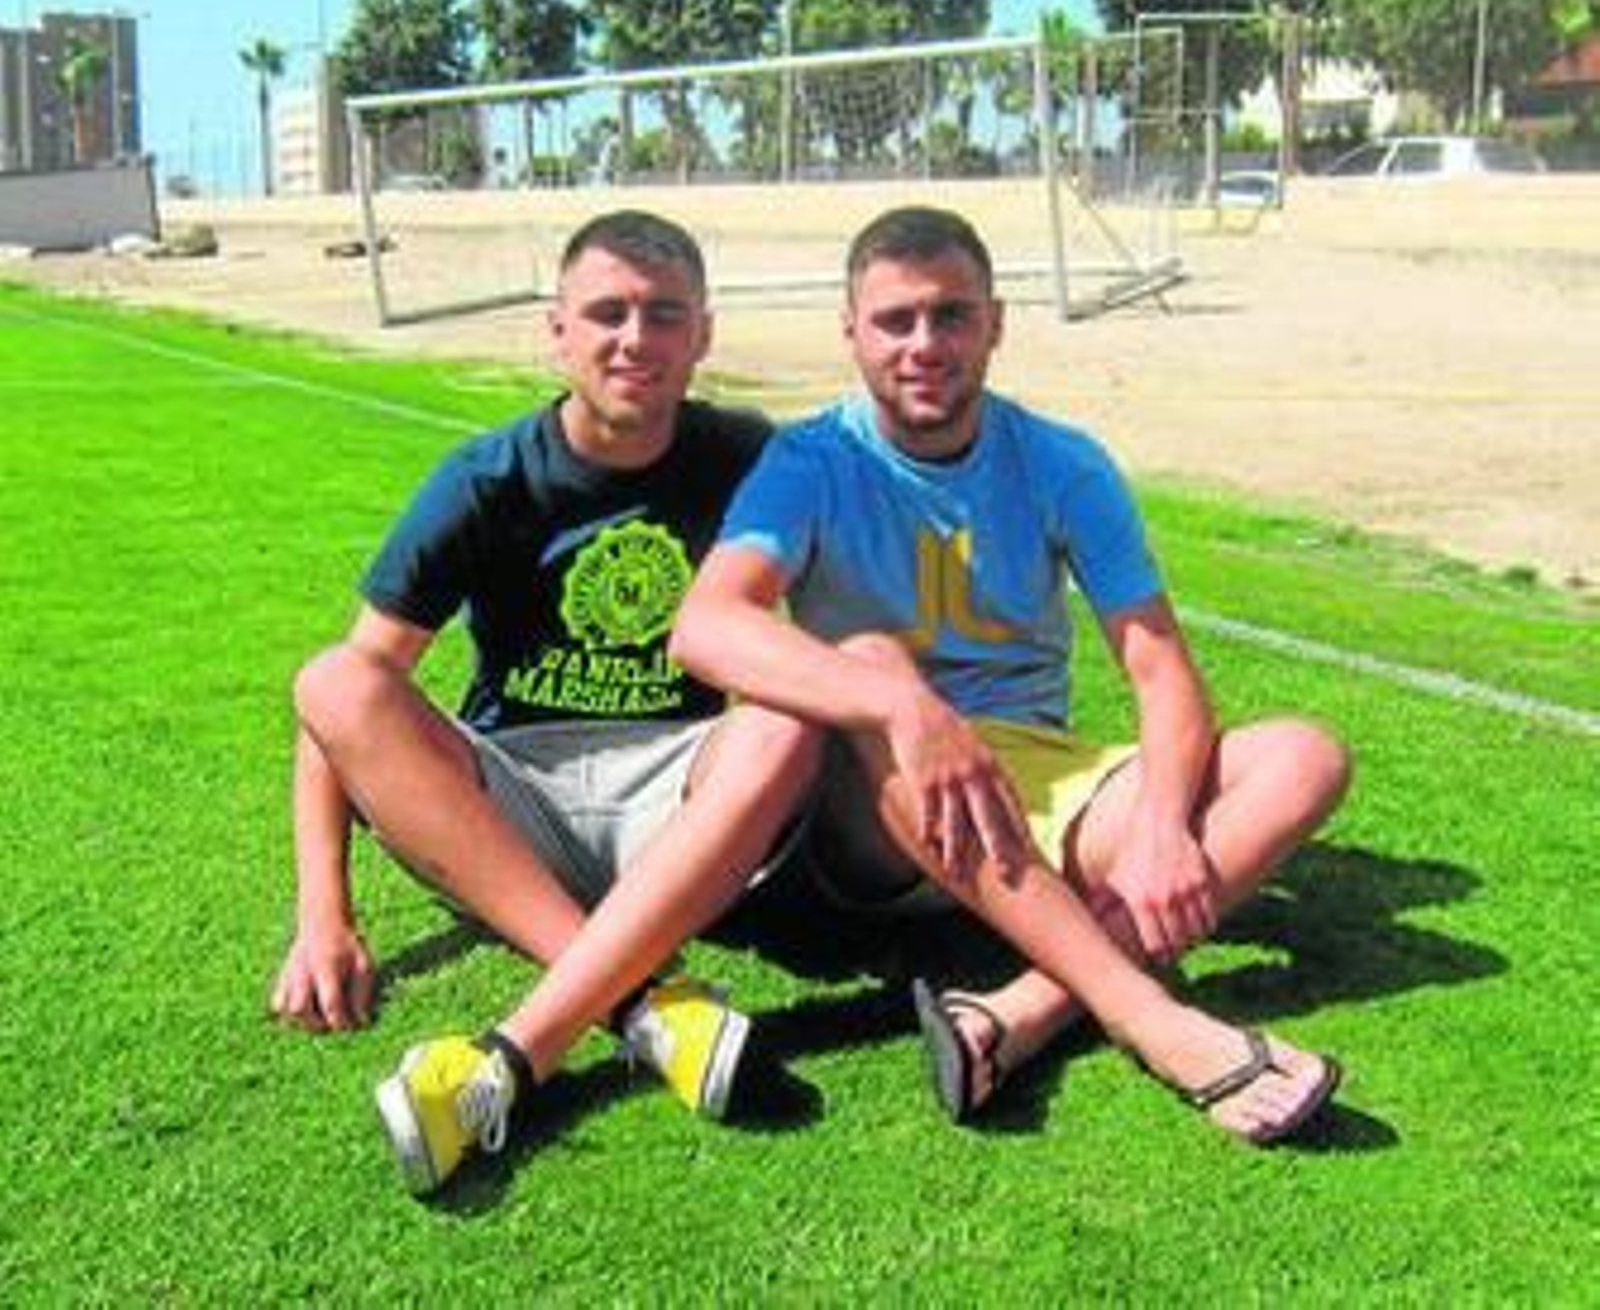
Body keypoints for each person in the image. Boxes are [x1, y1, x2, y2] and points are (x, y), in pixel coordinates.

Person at [671, 205, 1352, 1143]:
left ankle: (1020, 1011)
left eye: (951, 315)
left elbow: (1161, 673)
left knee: (1304, 758)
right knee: (871, 660)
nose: (924, 344)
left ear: (995, 323)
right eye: (895, 321)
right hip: (871, 815)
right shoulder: (810, 460)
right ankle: (1145, 1015)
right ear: (851, 333)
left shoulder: (1062, 462)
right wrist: (899, 700)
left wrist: (1160, 826)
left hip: (1031, 787)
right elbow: (707, 625)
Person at [270, 209, 822, 1195]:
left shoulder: (748, 456)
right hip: (511, 800)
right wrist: (324, 915)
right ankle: (646, 1001)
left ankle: (520, 1048)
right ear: (556, 329)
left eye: (663, 314)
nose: (633, 338)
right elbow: (334, 713)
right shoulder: (486, 478)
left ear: (702, 333)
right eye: (606, 312)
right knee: (334, 676)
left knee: (787, 713)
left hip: (677, 794)